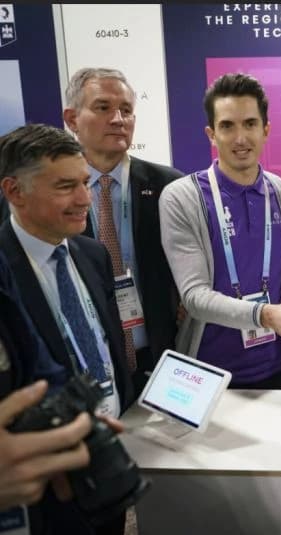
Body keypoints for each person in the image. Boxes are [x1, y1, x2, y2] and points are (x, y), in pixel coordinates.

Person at [0, 123, 133, 533]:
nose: (84, 199)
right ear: (14, 191)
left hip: (105, 449)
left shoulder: (93, 253)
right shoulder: (3, 272)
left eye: (84, 183)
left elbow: (109, 341)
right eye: (65, 187)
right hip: (40, 479)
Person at [159, 73, 281, 389]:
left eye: (250, 124)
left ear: (266, 130)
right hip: (207, 374)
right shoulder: (182, 196)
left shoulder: (277, 189)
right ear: (211, 134)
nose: (240, 138)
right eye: (227, 126)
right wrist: (265, 315)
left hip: (279, 365)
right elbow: (194, 297)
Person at [61, 67, 184, 395]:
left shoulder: (170, 186)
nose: (118, 119)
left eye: (126, 110)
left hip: (161, 357)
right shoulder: (53, 195)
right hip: (87, 366)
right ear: (72, 119)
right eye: (103, 107)